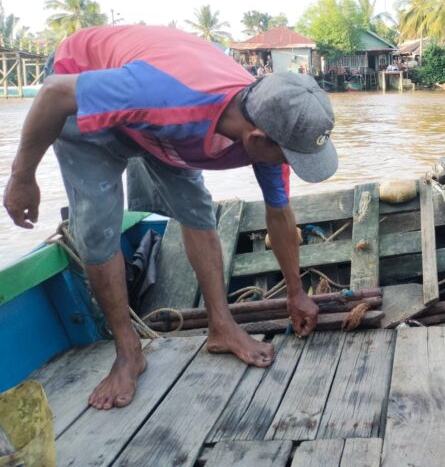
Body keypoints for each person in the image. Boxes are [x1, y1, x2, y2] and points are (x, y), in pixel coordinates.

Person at [3, 25, 338, 409]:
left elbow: (279, 214)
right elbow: (54, 93)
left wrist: (296, 293)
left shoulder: (266, 117)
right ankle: (129, 351)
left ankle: (222, 326)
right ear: (256, 140)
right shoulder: (167, 95)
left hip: (159, 126)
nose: (289, 166)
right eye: (290, 157)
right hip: (78, 91)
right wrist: (22, 176)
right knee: (97, 225)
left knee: (196, 208)